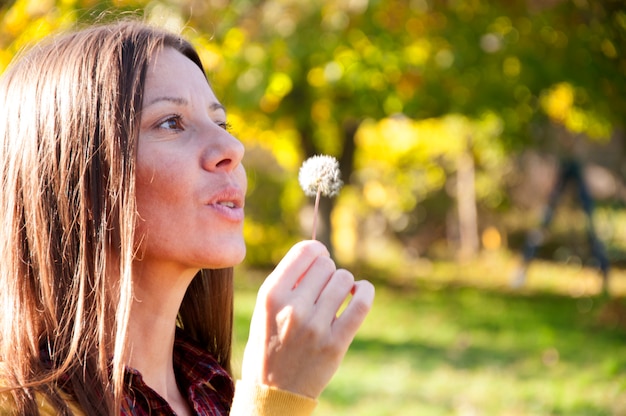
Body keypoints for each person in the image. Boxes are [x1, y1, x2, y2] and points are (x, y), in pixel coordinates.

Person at [0, 20, 374, 415]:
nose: (231, 147)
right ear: (69, 175)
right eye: (171, 123)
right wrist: (276, 400)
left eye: (221, 123)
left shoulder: (215, 392)